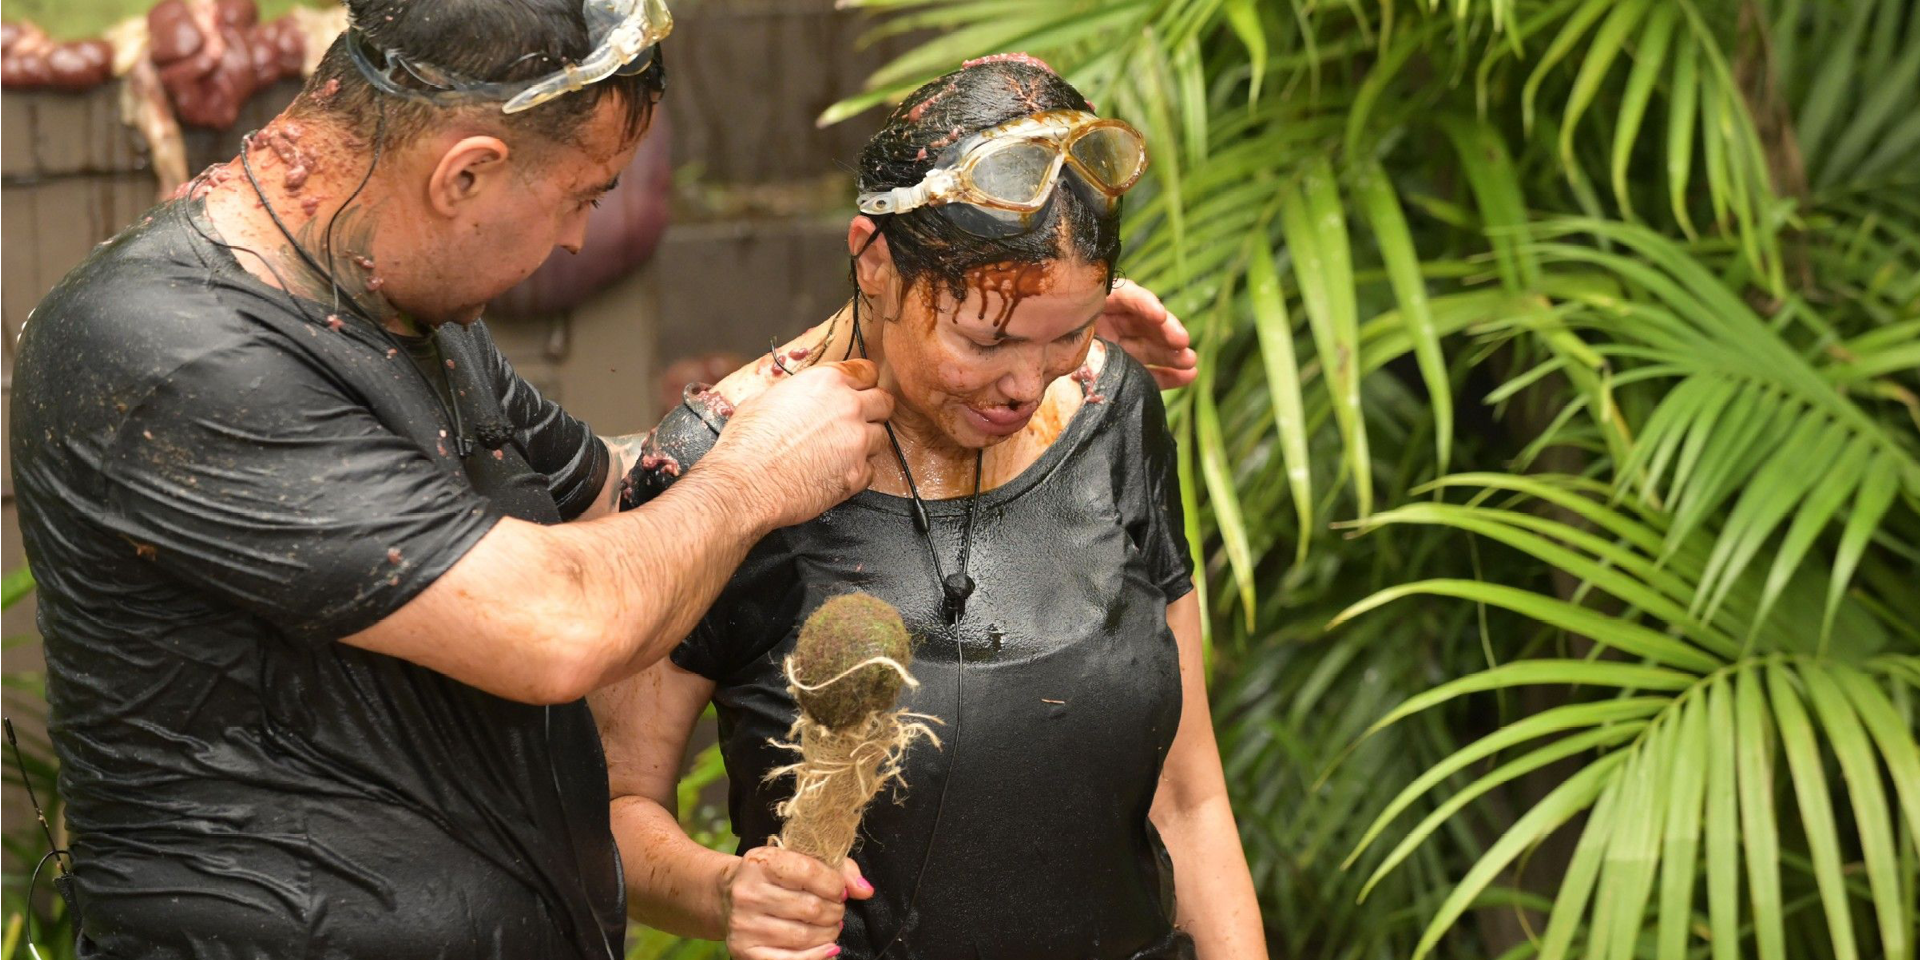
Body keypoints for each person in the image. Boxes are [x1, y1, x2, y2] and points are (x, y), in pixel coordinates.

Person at [4, 0, 1194, 956]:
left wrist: (963, 335)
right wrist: (755, 485)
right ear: (464, 173)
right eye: (578, 196)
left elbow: (617, 494)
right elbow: (560, 620)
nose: (578, 237)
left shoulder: (409, 314)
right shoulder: (168, 350)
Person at [597, 57, 1265, 960]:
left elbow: (1190, 799)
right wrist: (726, 893)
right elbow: (614, 811)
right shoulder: (726, 469)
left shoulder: (1114, 415)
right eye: (985, 338)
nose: (1027, 384)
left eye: (1068, 332)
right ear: (873, 260)